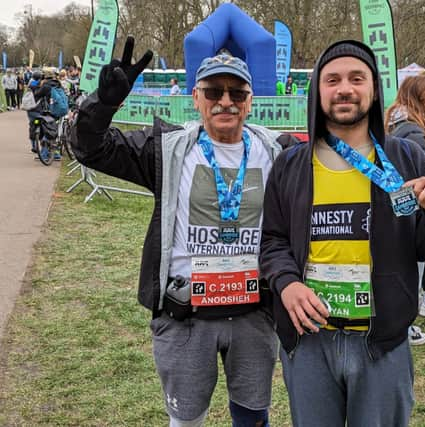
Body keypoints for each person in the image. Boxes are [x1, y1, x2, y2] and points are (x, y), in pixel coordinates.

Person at [71, 37, 293, 427]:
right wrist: (103, 105)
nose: (226, 101)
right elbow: (90, 149)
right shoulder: (166, 148)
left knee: (254, 416)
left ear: (250, 100)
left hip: (254, 316)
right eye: (213, 91)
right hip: (186, 317)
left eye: (237, 93)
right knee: (187, 419)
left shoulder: (280, 150)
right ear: (196, 97)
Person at [259, 39, 425, 426]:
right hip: (310, 338)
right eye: (332, 80)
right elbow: (272, 240)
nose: (344, 88)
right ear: (318, 91)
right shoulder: (290, 164)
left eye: (356, 78)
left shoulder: (406, 157)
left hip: (381, 342)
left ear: (374, 89)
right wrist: (287, 284)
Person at [385, 73, 425, 346]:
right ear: (423, 97)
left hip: (398, 207)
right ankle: (405, 327)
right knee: (411, 273)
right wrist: (413, 215)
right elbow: (411, 177)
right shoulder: (413, 132)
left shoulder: (396, 122)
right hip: (409, 209)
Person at [29, 68, 65, 160]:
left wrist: (37, 86)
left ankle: (45, 154)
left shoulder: (46, 85)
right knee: (53, 130)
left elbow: (37, 94)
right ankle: (55, 153)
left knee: (47, 130)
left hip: (51, 110)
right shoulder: (58, 83)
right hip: (60, 109)